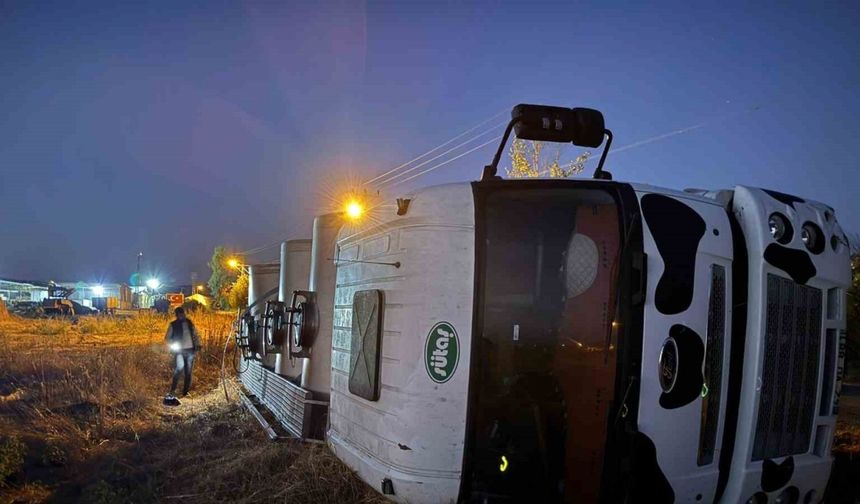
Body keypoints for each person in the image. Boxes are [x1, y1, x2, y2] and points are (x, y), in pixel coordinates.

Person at [164, 307, 201, 402]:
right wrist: (173, 345)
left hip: (190, 350)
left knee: (188, 372)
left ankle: (185, 392)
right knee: (179, 369)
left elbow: (195, 334)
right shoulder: (173, 325)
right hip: (180, 351)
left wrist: (198, 344)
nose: (182, 315)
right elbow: (167, 338)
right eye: (180, 314)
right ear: (177, 315)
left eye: (183, 313)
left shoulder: (189, 323)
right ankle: (173, 390)